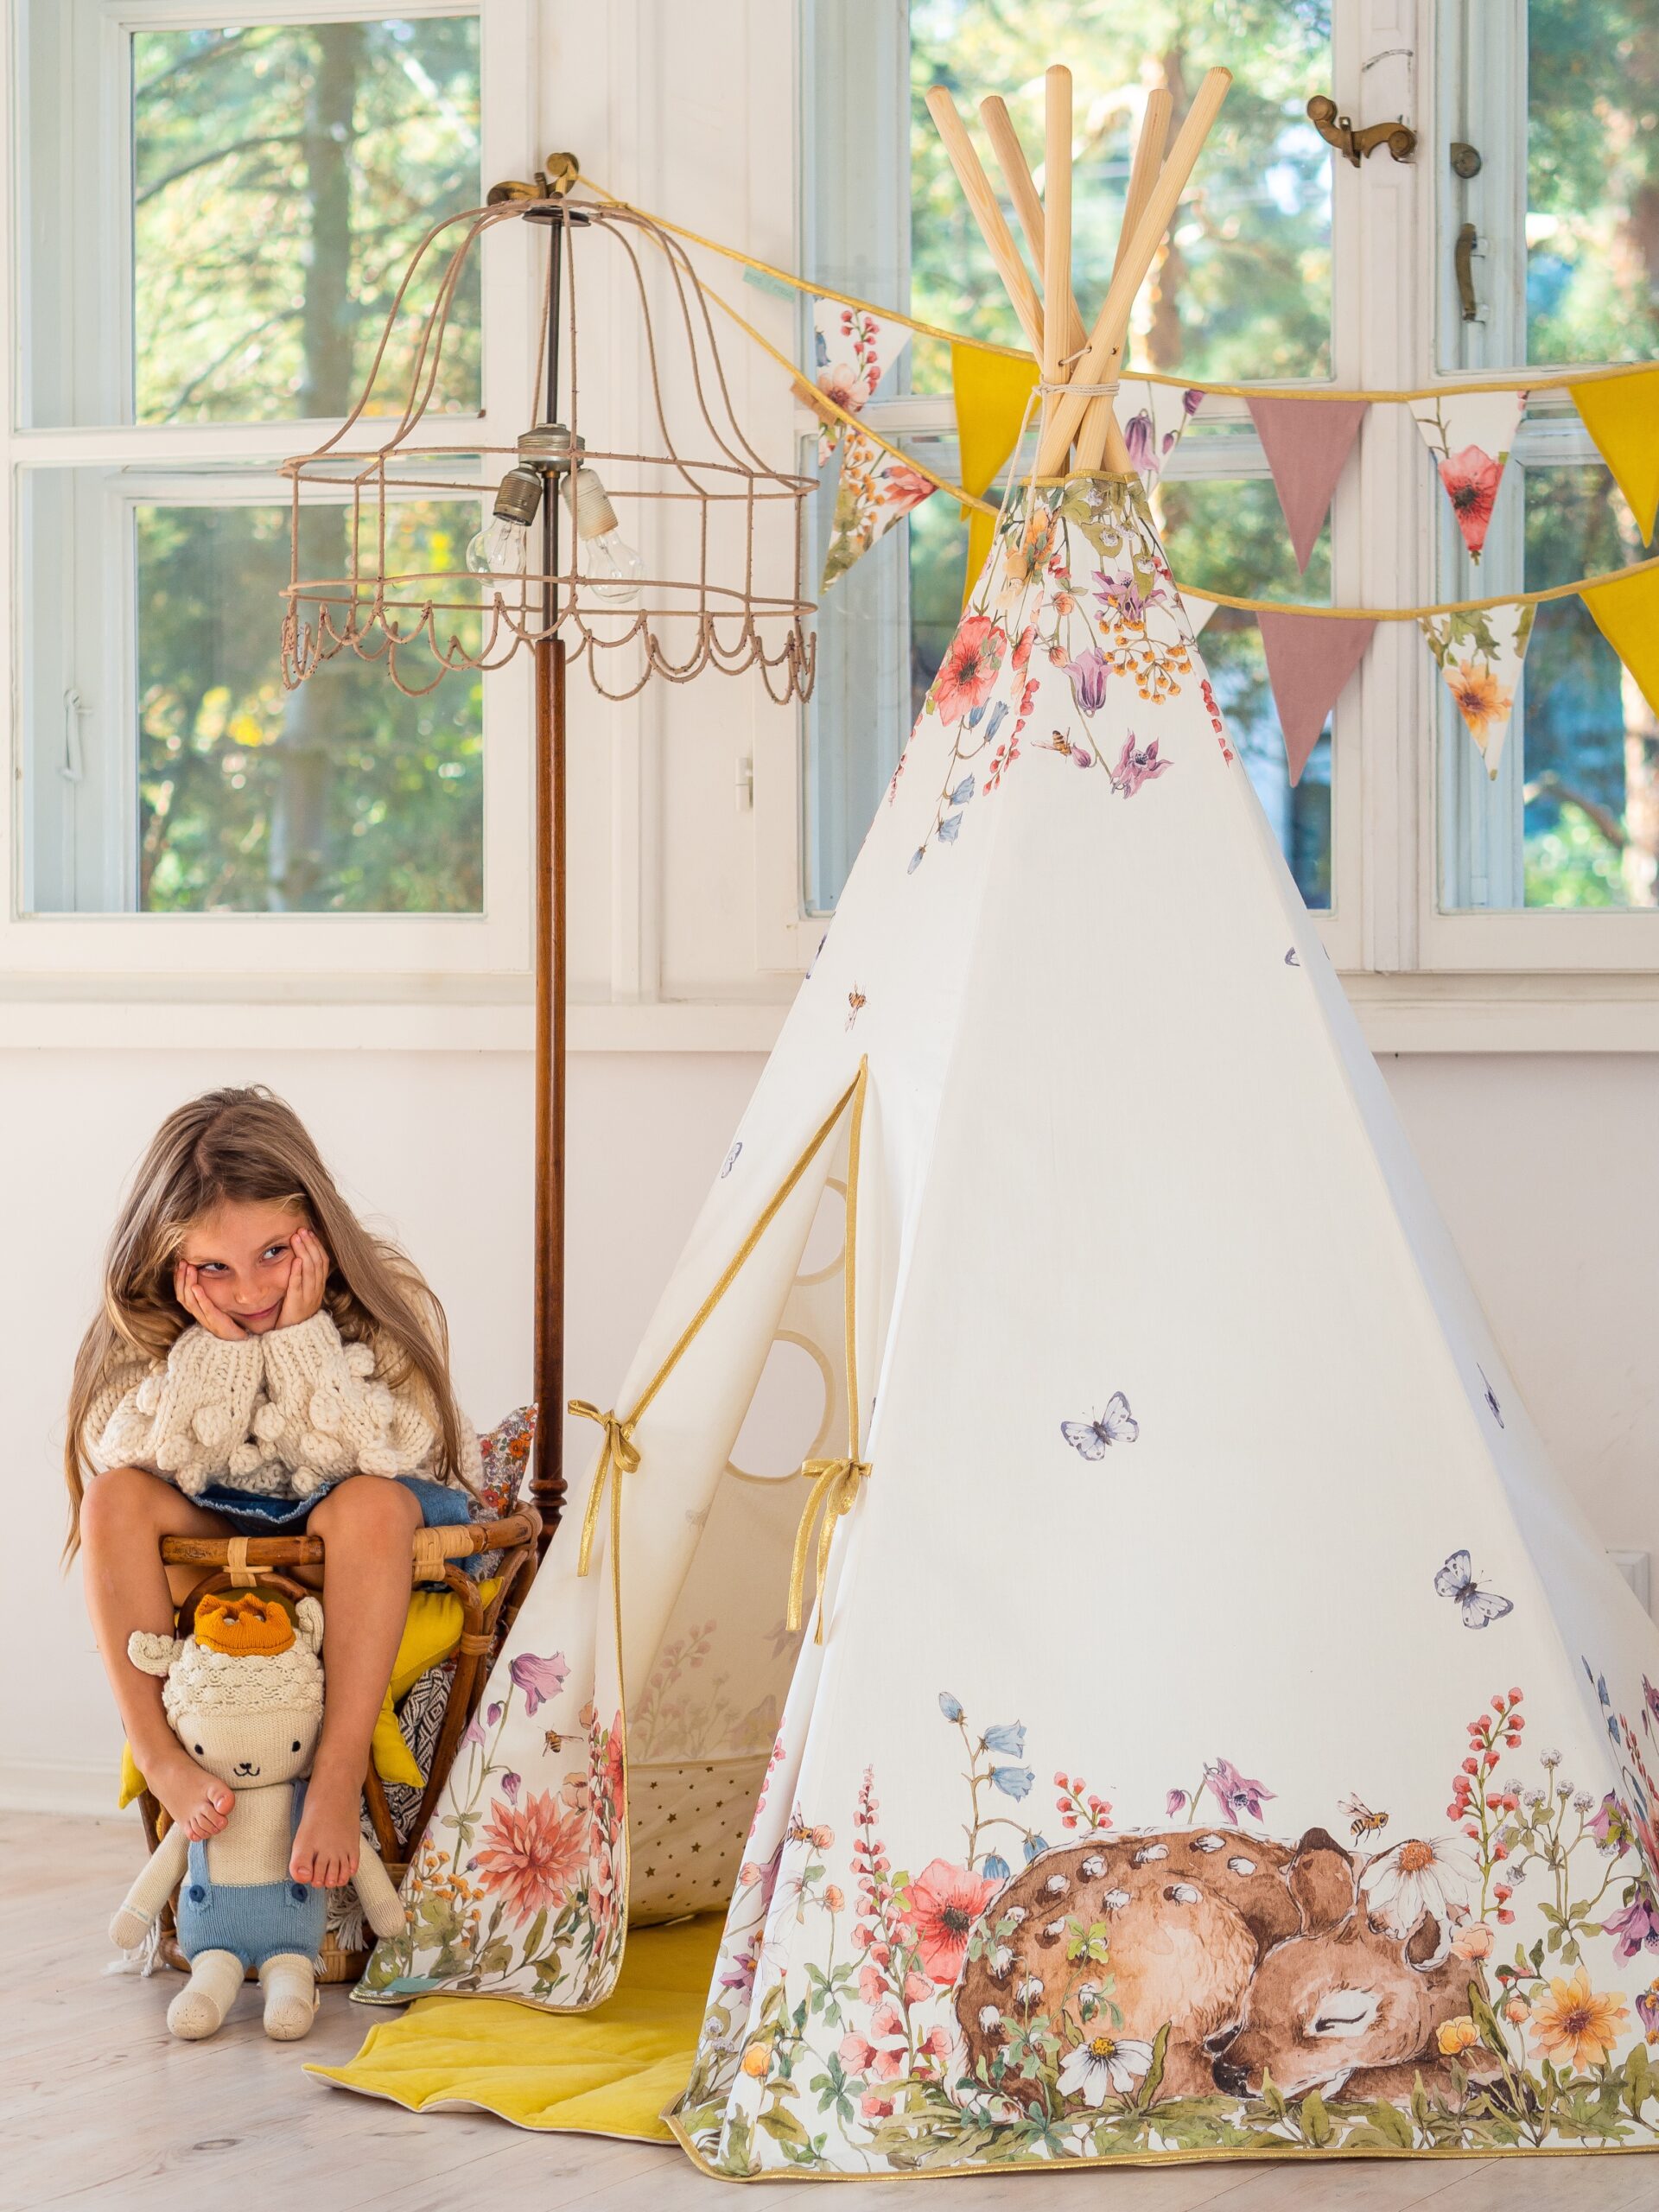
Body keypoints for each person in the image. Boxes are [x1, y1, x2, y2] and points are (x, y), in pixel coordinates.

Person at [67, 1085, 480, 1891]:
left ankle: (335, 1772)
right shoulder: (144, 1321)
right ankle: (161, 1757)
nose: (250, 1292)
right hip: (220, 1537)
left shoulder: (382, 1299)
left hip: (350, 1534)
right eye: (213, 1268)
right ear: (168, 1259)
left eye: (272, 1255)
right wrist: (213, 1359)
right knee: (113, 1496)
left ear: (315, 1231)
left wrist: (299, 1347)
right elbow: (122, 1451)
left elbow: (392, 1453)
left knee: (369, 1502)